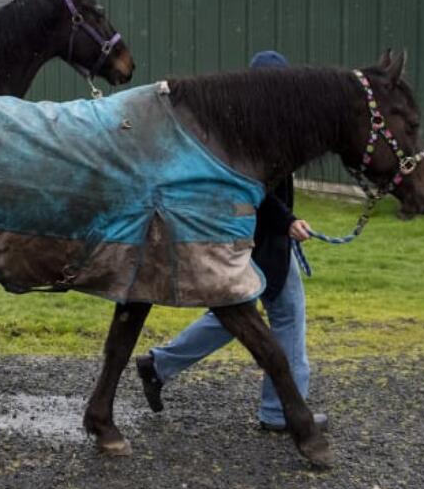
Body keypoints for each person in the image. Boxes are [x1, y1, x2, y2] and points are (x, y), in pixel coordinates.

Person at [134, 50, 328, 433]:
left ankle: (159, 365)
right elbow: (257, 189)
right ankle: (278, 412)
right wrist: (287, 221)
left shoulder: (252, 124)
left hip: (254, 239)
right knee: (277, 315)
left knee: (233, 316)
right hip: (257, 240)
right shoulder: (258, 131)